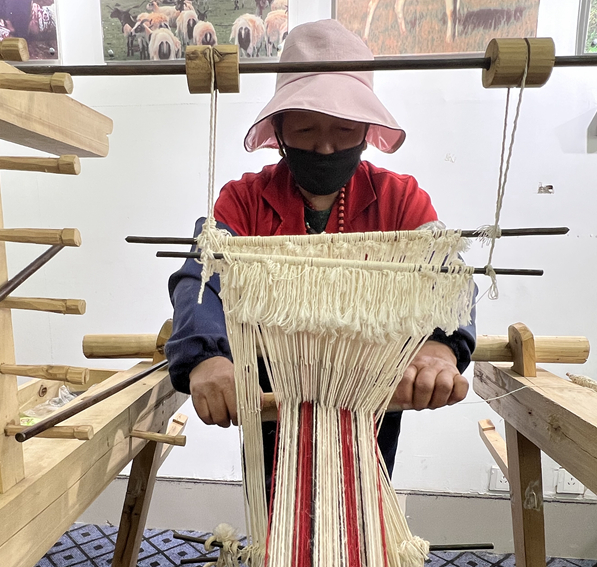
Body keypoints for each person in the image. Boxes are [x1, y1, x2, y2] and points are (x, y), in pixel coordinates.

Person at [165, 19, 476, 484]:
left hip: (372, 400)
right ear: (279, 128)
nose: (326, 146)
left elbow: (448, 280)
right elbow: (201, 277)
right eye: (307, 127)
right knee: (275, 509)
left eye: (345, 129)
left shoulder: (401, 200)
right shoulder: (244, 201)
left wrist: (440, 345)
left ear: (367, 130)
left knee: (362, 508)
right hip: (269, 398)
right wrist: (205, 354)